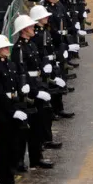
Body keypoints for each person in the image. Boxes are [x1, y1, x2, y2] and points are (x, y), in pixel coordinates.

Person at [0, 35, 28, 184]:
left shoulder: (11, 65)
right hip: (3, 115)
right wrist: (12, 111)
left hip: (14, 110)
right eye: (4, 48)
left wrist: (20, 96)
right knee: (1, 152)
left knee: (13, 150)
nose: (7, 50)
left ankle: (9, 183)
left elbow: (15, 86)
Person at [11, 14, 54, 171]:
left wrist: (45, 68)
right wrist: (35, 92)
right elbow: (22, 73)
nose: (33, 28)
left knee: (37, 126)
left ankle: (37, 158)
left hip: (37, 85)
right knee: (25, 128)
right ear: (23, 30)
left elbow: (38, 62)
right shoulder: (18, 50)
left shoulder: (32, 45)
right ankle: (20, 161)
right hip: (28, 91)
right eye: (30, 27)